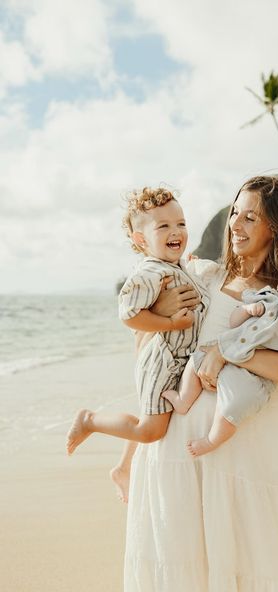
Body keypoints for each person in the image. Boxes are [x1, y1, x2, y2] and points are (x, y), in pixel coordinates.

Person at [124, 175, 278, 591]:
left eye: (250, 217)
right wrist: (128, 456)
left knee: (244, 568)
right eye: (235, 213)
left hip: (242, 452)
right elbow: (153, 364)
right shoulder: (202, 277)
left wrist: (229, 350)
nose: (235, 225)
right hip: (176, 453)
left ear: (276, 226)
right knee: (182, 571)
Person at [66, 187, 208, 502]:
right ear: (141, 240)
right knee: (150, 429)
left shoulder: (172, 265)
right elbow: (129, 315)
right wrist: (170, 324)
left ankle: (123, 467)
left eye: (181, 223)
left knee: (158, 420)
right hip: (163, 362)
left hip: (178, 359)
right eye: (164, 226)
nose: (176, 232)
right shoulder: (149, 272)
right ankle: (90, 421)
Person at [163, 258, 278, 456]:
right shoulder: (265, 297)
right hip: (227, 348)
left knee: (233, 405)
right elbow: (234, 322)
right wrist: (246, 310)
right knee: (196, 358)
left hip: (252, 375)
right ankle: (184, 399)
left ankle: (212, 439)